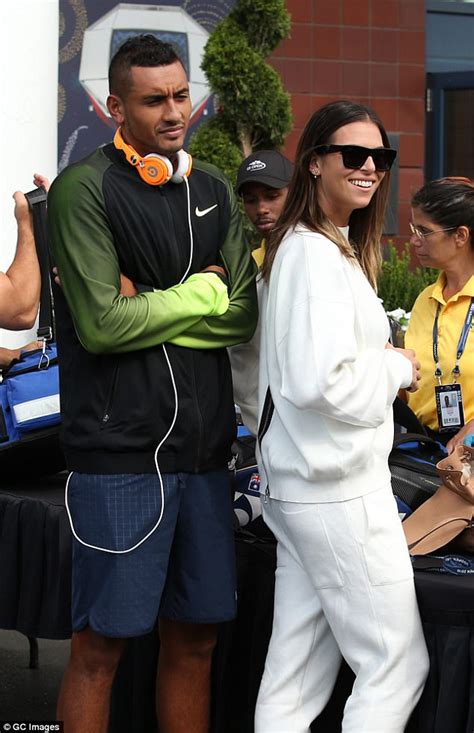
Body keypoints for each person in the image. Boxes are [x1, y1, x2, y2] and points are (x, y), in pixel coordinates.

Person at [47, 34, 257, 733]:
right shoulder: (83, 189)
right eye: (153, 99)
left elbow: (242, 316)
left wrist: (155, 304)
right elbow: (103, 326)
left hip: (204, 459)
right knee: (99, 648)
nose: (174, 111)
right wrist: (202, 291)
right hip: (120, 459)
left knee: (195, 639)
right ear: (114, 106)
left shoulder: (214, 187)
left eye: (180, 94)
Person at [254, 100, 429, 733]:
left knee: (295, 677)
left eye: (379, 157)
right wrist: (395, 368)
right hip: (337, 492)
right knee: (394, 666)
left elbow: (267, 372)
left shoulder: (316, 248)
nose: (369, 168)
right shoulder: (313, 255)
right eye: (352, 156)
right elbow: (315, 381)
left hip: (308, 485)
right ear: (314, 163)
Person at [405, 177, 474, 453]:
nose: (413, 240)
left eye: (423, 231)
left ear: (460, 236)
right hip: (421, 448)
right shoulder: (426, 299)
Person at [231, 150, 293, 435]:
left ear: (294, 194)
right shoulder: (249, 266)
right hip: (263, 427)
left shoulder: (312, 256)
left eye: (271, 196)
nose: (261, 208)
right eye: (251, 200)